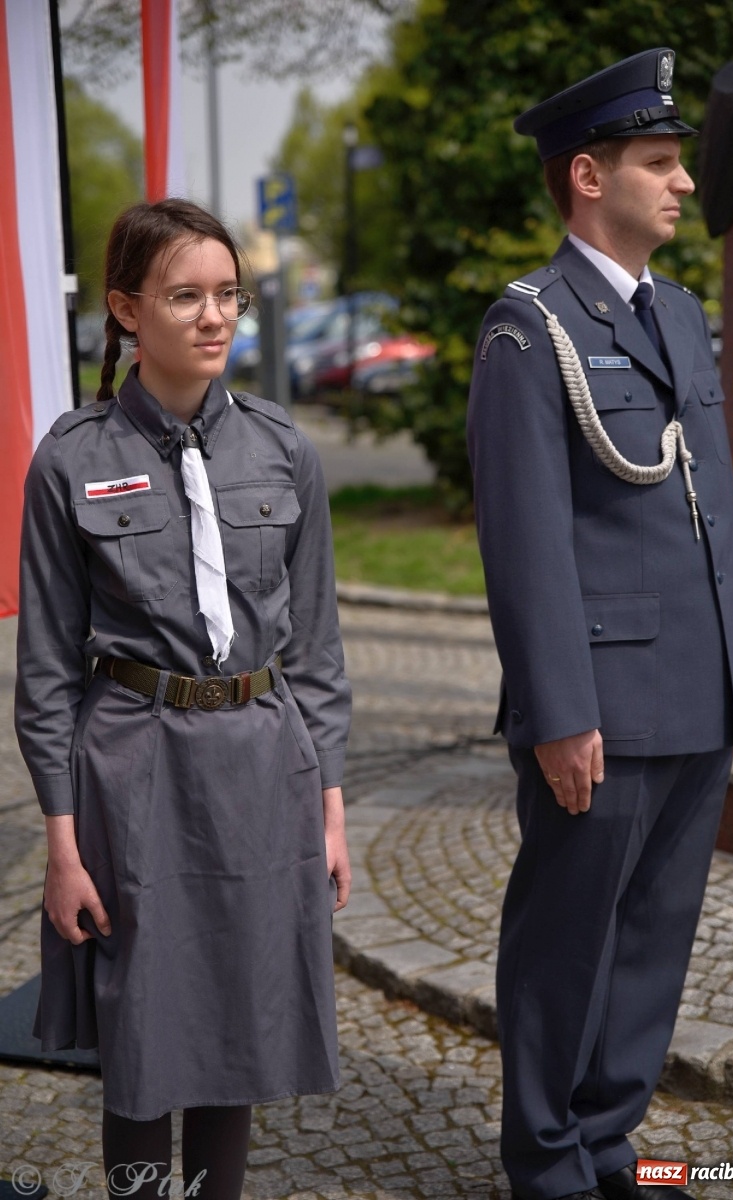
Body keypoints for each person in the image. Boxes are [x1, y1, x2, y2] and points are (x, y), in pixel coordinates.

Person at [467, 49, 733, 1200]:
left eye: (680, 162)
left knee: (653, 942)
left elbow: (712, 502)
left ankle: (608, 1143)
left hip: (696, 686)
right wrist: (558, 712)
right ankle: (546, 1160)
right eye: (659, 161)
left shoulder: (679, 314)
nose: (683, 181)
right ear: (589, 176)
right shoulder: (528, 327)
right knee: (568, 941)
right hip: (599, 701)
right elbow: (525, 540)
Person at [15, 198, 352, 1200]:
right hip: (134, 768)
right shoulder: (71, 460)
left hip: (261, 762)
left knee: (236, 1014)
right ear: (126, 310)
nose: (214, 318)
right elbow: (46, 673)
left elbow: (318, 650)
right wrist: (62, 846)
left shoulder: (284, 450)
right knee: (143, 1012)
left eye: (228, 296)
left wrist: (330, 808)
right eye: (184, 296)